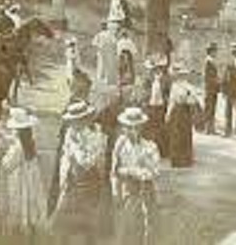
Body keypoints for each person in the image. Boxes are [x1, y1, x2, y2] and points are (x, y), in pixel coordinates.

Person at [50, 101, 108, 245]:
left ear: (84, 120)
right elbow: (66, 156)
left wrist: (76, 147)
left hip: (89, 183)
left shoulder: (96, 137)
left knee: (87, 224)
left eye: (75, 121)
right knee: (62, 223)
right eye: (71, 121)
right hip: (71, 183)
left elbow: (87, 162)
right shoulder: (71, 133)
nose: (72, 125)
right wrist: (64, 178)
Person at [111, 107, 160, 245]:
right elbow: (114, 170)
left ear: (141, 128)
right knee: (126, 228)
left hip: (144, 191)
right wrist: (115, 191)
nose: (132, 131)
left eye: (136, 128)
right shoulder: (120, 144)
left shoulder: (149, 147)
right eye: (128, 127)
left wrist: (132, 171)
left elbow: (154, 172)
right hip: (127, 191)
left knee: (145, 228)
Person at [0, 107, 47, 241]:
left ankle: (19, 237)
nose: (11, 131)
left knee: (18, 204)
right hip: (30, 179)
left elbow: (7, 164)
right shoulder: (29, 142)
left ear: (18, 131)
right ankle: (29, 231)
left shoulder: (17, 148)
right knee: (30, 205)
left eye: (13, 129)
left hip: (19, 180)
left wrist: (1, 151)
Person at [165, 66, 199, 167]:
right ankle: (176, 159)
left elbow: (194, 100)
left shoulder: (190, 87)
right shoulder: (174, 86)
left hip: (185, 112)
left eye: (183, 76)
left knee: (186, 134)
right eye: (180, 76)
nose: (182, 78)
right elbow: (171, 101)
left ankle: (186, 159)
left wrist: (188, 98)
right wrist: (168, 113)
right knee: (176, 134)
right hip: (177, 112)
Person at [143, 55, 170, 157]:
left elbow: (168, 93)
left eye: (159, 67)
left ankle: (162, 150)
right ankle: (150, 150)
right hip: (151, 106)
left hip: (161, 106)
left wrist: (165, 101)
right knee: (151, 128)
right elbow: (145, 92)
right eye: (155, 68)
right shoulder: (149, 79)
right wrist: (146, 101)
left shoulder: (165, 79)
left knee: (161, 128)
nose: (157, 70)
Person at [92, 21, 119, 86]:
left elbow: (114, 42)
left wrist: (113, 49)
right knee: (101, 65)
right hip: (102, 51)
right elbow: (94, 43)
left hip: (108, 51)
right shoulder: (99, 34)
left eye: (104, 26)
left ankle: (108, 80)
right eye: (102, 26)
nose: (103, 27)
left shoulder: (109, 34)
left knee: (108, 65)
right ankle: (100, 80)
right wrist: (99, 47)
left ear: (106, 26)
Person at [202, 42, 219, 134]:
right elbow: (206, 77)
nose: (216, 53)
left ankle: (211, 128)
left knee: (212, 108)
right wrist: (215, 81)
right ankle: (206, 128)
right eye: (214, 51)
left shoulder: (212, 61)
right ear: (210, 52)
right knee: (208, 108)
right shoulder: (207, 62)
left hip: (213, 89)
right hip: (209, 89)